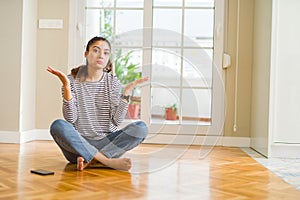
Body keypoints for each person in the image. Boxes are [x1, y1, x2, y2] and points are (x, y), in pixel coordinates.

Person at [47, 36, 149, 171]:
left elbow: (116, 121)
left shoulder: (112, 82)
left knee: (141, 128)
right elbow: (71, 119)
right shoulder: (71, 81)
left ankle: (94, 160)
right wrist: (66, 86)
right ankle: (106, 161)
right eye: (96, 50)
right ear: (86, 54)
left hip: (106, 144)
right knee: (58, 125)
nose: (101, 55)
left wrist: (126, 93)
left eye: (106, 52)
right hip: (78, 146)